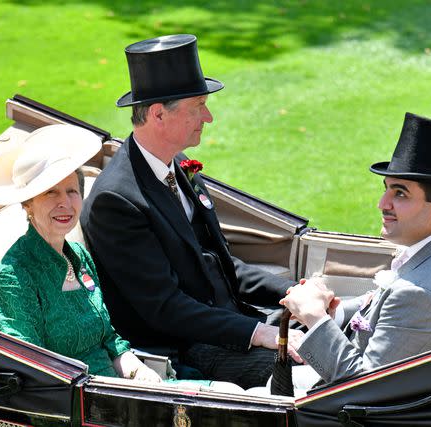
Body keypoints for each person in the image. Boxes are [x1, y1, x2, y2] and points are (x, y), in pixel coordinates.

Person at [80, 34, 302, 389]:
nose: (209, 116)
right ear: (157, 114)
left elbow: (220, 263)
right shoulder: (116, 202)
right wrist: (258, 332)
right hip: (186, 348)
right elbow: (164, 308)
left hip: (228, 324)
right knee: (312, 374)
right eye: (198, 105)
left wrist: (293, 292)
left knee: (333, 331)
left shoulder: (177, 165)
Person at [280, 113, 431, 386]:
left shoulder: (421, 293)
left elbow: (361, 386)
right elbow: (398, 319)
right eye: (386, 190)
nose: (382, 204)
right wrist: (334, 313)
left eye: (400, 193)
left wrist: (315, 317)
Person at [0, 124, 162, 382]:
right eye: (50, 192)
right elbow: (34, 373)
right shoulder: (14, 277)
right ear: (28, 204)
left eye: (71, 191)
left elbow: (108, 339)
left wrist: (140, 372)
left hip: (122, 385)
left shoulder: (78, 254)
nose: (64, 203)